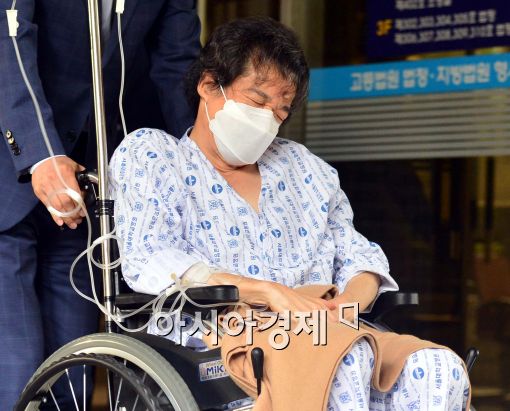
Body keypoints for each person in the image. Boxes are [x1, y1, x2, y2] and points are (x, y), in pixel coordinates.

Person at [109, 16, 471, 410]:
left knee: (438, 368)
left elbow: (358, 255)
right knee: (343, 359)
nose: (268, 119)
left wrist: (349, 303)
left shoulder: (303, 168)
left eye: (280, 112)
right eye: (258, 101)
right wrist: (266, 292)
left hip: (327, 327)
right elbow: (150, 257)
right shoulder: (156, 156)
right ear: (209, 85)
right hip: (220, 334)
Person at [0, 0, 200, 408]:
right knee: (17, 372)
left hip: (84, 188)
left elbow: (177, 64)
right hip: (13, 169)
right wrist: (41, 153)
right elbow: (9, 36)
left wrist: (202, 168)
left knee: (75, 372)